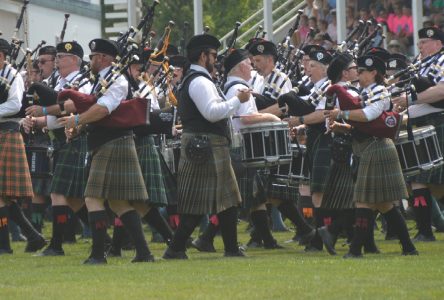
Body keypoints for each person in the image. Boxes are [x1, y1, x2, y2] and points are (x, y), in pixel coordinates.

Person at [59, 38, 154, 264]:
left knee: (92, 198)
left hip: (114, 142)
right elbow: (95, 110)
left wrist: (77, 119)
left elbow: (103, 110)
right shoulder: (102, 80)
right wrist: (79, 127)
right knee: (118, 203)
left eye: (92, 57)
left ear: (102, 58)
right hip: (107, 142)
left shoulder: (117, 81)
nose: (90, 61)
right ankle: (144, 253)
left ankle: (98, 254)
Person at [163, 34, 250, 259]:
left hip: (207, 145)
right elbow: (211, 113)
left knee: (228, 200)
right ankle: (175, 248)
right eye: (212, 55)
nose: (215, 59)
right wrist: (237, 100)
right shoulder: (200, 81)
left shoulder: (198, 78)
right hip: (205, 146)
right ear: (203, 56)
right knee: (197, 203)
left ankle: (230, 249)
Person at [325, 54, 418, 258]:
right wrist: (343, 126)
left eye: (361, 72)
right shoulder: (366, 91)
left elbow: (369, 116)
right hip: (370, 147)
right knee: (384, 205)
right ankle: (409, 247)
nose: (357, 75)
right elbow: (364, 124)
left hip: (377, 148)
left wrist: (342, 114)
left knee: (364, 202)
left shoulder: (380, 91)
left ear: (373, 73)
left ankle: (355, 250)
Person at [26, 41, 92, 256]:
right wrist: (36, 121)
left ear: (75, 60)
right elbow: (54, 118)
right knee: (73, 198)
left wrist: (43, 109)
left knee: (58, 192)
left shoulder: (83, 81)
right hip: (58, 139)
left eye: (62, 56)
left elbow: (76, 107)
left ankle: (56, 245)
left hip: (75, 138)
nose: (57, 60)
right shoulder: (56, 80)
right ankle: (107, 238)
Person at [392, 26, 444, 242]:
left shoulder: (442, 61)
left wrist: (411, 100)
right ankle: (425, 231)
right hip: (418, 123)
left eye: (425, 42)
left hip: (437, 121)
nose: (420, 46)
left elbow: (442, 90)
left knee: (432, 179)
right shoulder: (420, 64)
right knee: (417, 178)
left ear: (439, 43)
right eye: (420, 42)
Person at [0, 38, 46, 254]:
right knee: (4, 195)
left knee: (2, 194)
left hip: (7, 132)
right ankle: (33, 236)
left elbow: (14, 104)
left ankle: (5, 246)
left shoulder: (13, 76)